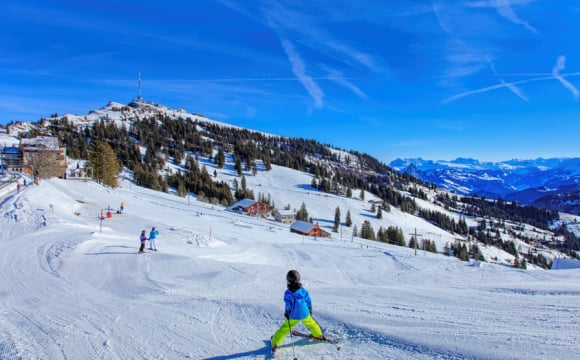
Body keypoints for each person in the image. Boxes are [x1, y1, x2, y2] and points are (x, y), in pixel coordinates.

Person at [270, 270, 323, 353]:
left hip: (294, 315)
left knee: (285, 328)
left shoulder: (288, 293)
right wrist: (309, 308)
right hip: (305, 313)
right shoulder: (303, 290)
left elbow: (288, 304)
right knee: (312, 324)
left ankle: (275, 343)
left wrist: (287, 312)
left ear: (288, 280)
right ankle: (318, 335)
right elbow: (308, 301)